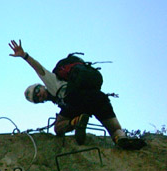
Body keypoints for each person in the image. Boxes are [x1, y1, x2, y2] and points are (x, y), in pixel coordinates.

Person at [8, 39, 145, 150]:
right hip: (96, 97)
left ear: (41, 86)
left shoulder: (52, 82)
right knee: (115, 128)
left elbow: (37, 68)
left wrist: (24, 56)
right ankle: (120, 138)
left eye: (37, 92)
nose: (39, 96)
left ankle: (77, 121)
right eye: (37, 99)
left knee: (58, 127)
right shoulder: (61, 91)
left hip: (75, 100)